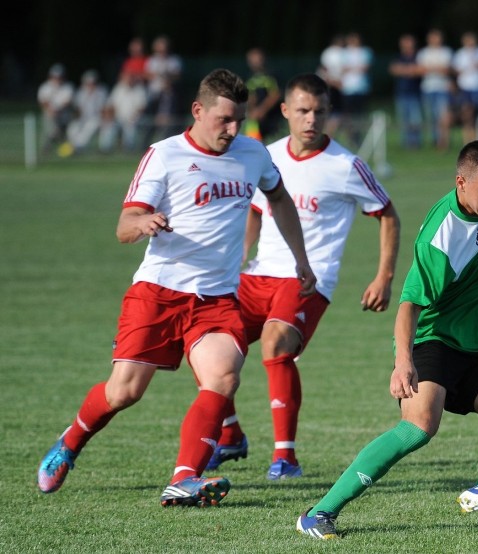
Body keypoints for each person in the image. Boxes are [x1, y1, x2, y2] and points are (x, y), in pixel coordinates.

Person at [36, 68, 316, 508]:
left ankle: (184, 477)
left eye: (239, 120)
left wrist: (301, 259)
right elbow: (123, 226)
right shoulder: (163, 155)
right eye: (224, 119)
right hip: (159, 292)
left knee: (223, 376)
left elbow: (278, 198)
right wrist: (143, 222)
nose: (233, 129)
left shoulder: (253, 154)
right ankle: (69, 442)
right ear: (197, 111)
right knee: (124, 391)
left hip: (218, 298)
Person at [296, 138, 478, 540]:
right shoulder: (441, 239)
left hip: (471, 346)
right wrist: (403, 361)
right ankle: (319, 513)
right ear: (460, 182)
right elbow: (409, 305)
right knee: (419, 426)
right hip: (429, 340)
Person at [205, 73, 401, 481]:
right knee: (206, 342)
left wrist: (383, 277)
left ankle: (285, 459)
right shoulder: (266, 155)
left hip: (308, 279)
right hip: (259, 276)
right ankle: (229, 434)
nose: (312, 120)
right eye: (303, 111)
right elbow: (258, 211)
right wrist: (242, 258)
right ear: (285, 111)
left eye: (320, 112)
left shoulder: (346, 165)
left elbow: (387, 214)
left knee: (276, 346)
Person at [416, 28, 454, 148]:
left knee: (443, 116)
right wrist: (437, 69)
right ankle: (435, 139)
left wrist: (431, 69)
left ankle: (443, 142)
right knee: (430, 116)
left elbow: (447, 70)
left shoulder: (446, 52)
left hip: (442, 88)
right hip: (428, 88)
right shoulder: (423, 53)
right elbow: (420, 70)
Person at [143, 35, 183, 144]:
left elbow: (177, 76)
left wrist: (168, 78)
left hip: (168, 96)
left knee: (168, 122)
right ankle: (146, 144)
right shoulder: (152, 60)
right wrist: (157, 75)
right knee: (151, 121)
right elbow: (146, 75)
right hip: (154, 95)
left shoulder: (174, 60)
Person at [452, 31, 478, 143]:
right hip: (465, 87)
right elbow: (456, 70)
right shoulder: (460, 54)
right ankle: (467, 139)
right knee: (467, 113)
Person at [99, 69, 149, 153]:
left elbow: (141, 107)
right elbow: (111, 104)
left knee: (130, 127)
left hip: (134, 118)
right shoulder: (119, 88)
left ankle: (129, 149)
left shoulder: (139, 89)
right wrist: (109, 117)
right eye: (126, 78)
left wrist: (133, 117)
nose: (128, 80)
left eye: (130, 78)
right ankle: (105, 149)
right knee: (108, 126)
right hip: (118, 118)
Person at [389, 33, 423, 149]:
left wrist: (403, 70)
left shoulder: (418, 56)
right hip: (401, 92)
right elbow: (394, 69)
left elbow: (420, 70)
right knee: (403, 118)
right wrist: (410, 70)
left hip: (415, 92)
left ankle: (415, 142)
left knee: (415, 118)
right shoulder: (398, 57)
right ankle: (406, 142)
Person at [339, 31, 373, 146]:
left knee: (360, 114)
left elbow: (365, 68)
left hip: (361, 88)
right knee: (349, 116)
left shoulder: (365, 52)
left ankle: (360, 137)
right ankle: (351, 137)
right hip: (348, 89)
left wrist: (351, 68)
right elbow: (343, 68)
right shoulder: (344, 53)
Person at [64, 69, 109, 155]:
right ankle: (72, 146)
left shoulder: (101, 92)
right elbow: (78, 109)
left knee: (90, 126)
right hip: (83, 118)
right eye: (89, 83)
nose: (91, 85)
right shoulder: (81, 93)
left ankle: (77, 148)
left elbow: (104, 108)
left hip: (97, 118)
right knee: (73, 128)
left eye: (93, 83)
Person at [244, 47, 281, 142]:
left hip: (272, 119)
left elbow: (275, 95)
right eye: (252, 60)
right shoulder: (250, 77)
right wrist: (251, 111)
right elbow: (251, 96)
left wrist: (261, 110)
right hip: (255, 121)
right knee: (253, 144)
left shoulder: (271, 75)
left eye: (257, 59)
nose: (255, 62)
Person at [37, 63, 75, 152]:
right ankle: (47, 148)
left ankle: (65, 148)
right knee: (52, 131)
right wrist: (50, 110)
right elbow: (42, 101)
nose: (57, 79)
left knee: (66, 133)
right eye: (55, 77)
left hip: (64, 115)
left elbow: (67, 101)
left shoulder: (68, 87)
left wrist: (57, 110)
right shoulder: (45, 87)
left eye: (59, 77)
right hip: (49, 114)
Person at [318, 34, 346, 137]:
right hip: (332, 86)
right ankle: (328, 135)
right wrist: (333, 81)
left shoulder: (340, 52)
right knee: (334, 113)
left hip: (336, 86)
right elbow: (325, 68)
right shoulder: (331, 53)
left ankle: (329, 135)